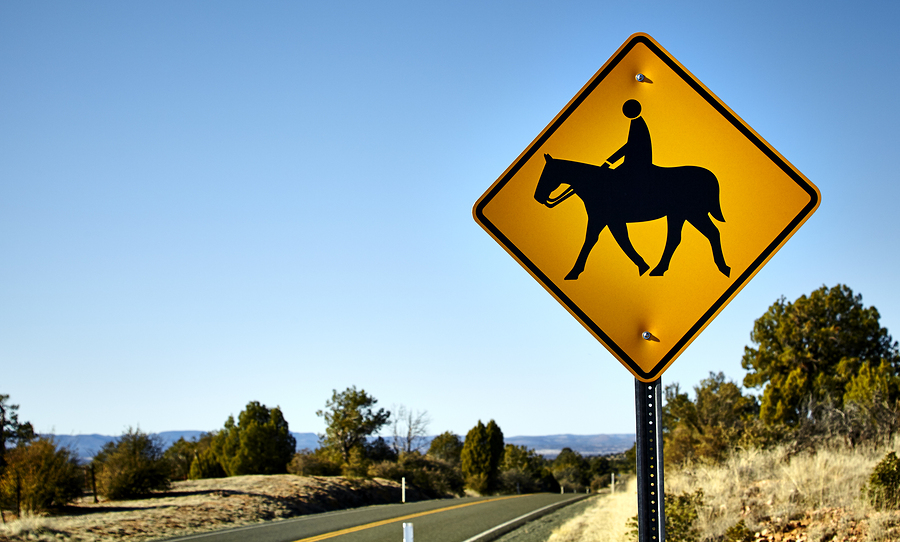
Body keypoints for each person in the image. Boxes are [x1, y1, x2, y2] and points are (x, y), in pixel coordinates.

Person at [603, 99, 652, 182]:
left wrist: (610, 161)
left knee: (613, 180)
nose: (625, 112)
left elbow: (630, 146)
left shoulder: (638, 125)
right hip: (634, 162)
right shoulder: (636, 123)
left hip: (636, 163)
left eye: (628, 109)